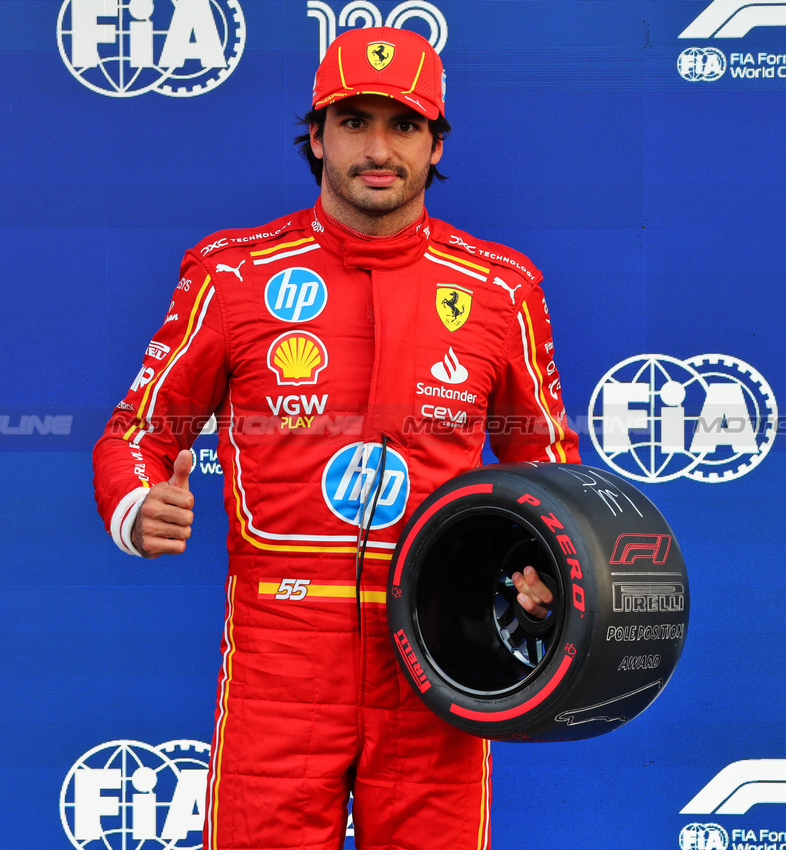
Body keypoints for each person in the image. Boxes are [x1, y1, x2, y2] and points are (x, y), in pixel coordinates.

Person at [93, 26, 580, 850]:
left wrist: (547, 569)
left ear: (434, 144)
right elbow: (140, 429)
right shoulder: (235, 273)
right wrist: (136, 503)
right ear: (316, 137)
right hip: (279, 660)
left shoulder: (500, 288)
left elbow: (549, 473)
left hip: (438, 652)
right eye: (354, 122)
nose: (378, 148)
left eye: (403, 125)